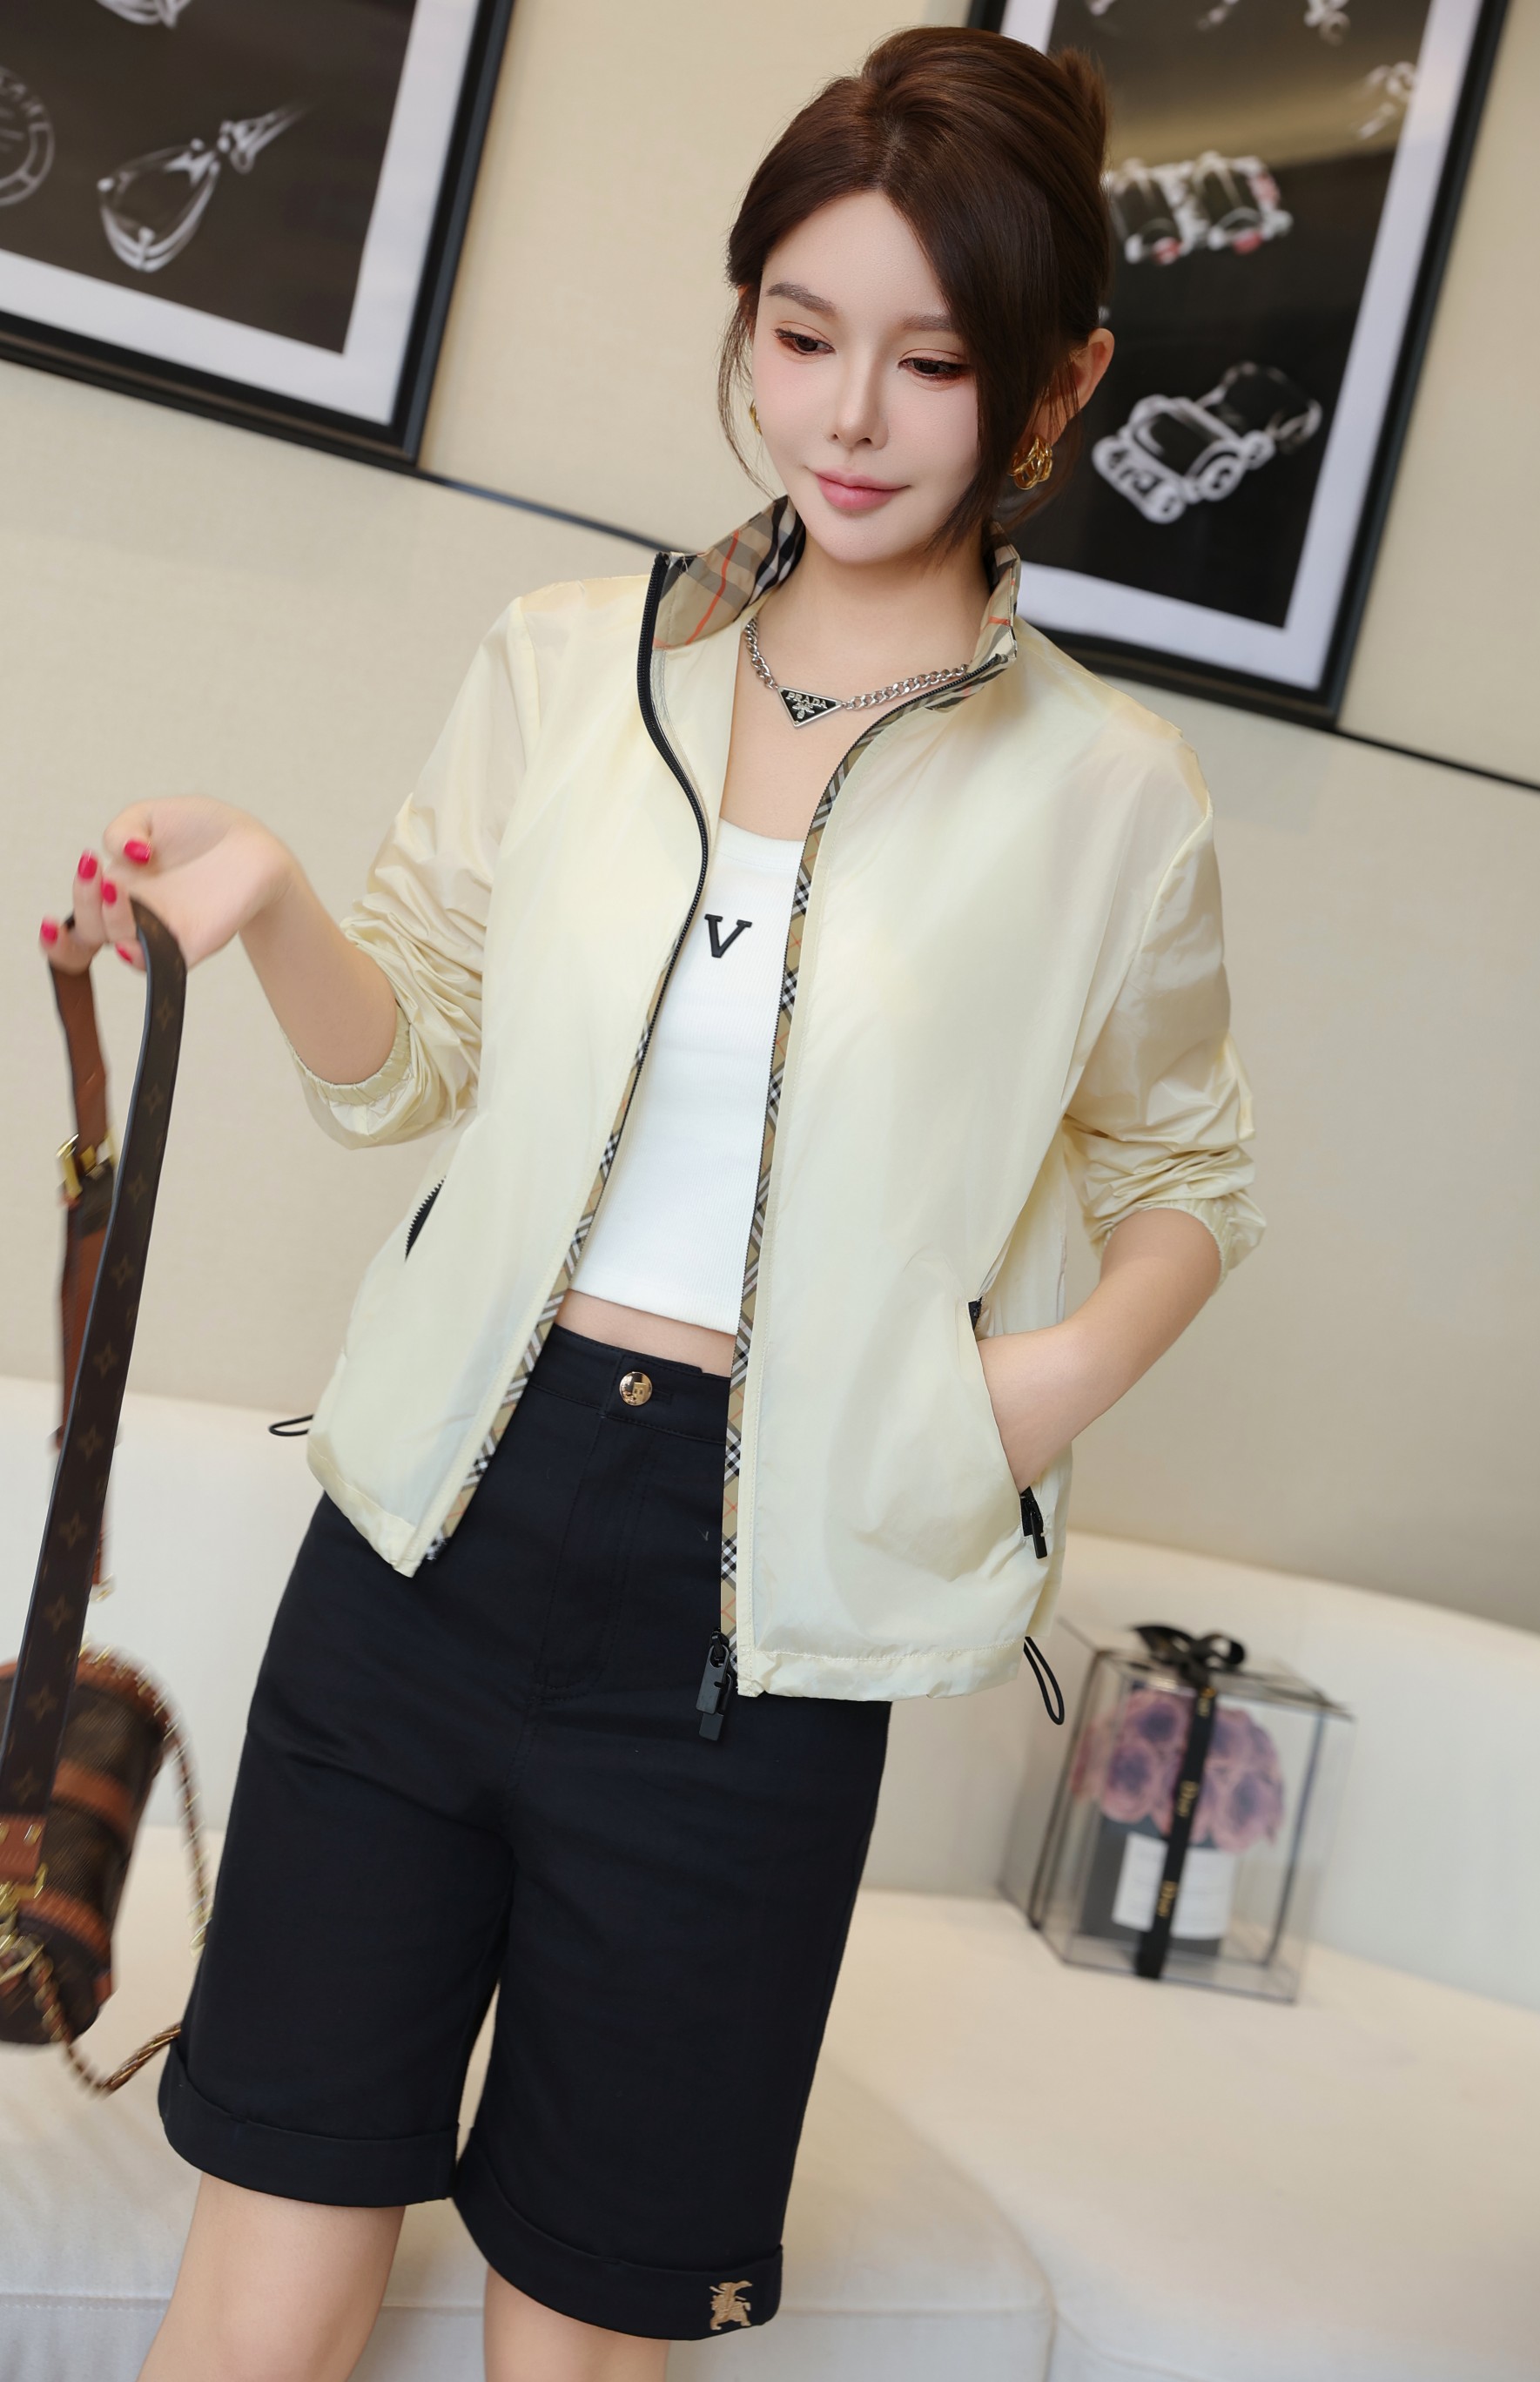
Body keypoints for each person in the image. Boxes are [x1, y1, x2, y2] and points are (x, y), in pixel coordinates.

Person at [42, 27, 1262, 2382]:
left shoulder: (1114, 797)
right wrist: (273, 899)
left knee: (586, 2332)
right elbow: (412, 1068)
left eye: (933, 363)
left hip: (759, 1631)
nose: (848, 416)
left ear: (1060, 383)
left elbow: (1190, 1175)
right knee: (265, 2277)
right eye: (801, 334)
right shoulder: (558, 670)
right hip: (423, 1544)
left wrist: (1017, 1400)